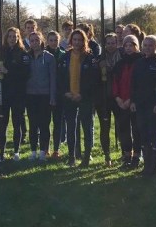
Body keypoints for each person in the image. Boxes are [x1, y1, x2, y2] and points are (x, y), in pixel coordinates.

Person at [58, 29, 98, 166]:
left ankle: (86, 158)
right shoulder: (65, 57)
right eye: (74, 39)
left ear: (84, 41)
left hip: (84, 98)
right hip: (69, 97)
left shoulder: (90, 58)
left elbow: (93, 80)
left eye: (80, 40)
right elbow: (60, 78)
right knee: (71, 128)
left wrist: (82, 94)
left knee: (87, 127)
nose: (77, 42)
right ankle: (72, 157)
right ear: (71, 41)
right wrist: (66, 92)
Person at [0, 27, 31, 161]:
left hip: (18, 94)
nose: (12, 39)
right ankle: (1, 151)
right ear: (6, 38)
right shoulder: (1, 52)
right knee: (2, 123)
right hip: (3, 93)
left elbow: (25, 74)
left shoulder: (23, 54)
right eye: (10, 36)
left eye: (14, 36)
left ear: (18, 37)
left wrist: (8, 71)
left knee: (17, 123)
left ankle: (16, 151)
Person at [130, 36, 156, 176]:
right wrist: (133, 101)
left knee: (153, 135)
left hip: (154, 105)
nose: (148, 48)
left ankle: (154, 167)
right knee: (143, 135)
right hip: (140, 104)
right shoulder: (139, 63)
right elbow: (134, 84)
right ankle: (147, 165)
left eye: (151, 45)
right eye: (145, 45)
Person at [25, 32, 56, 161]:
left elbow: (53, 78)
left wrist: (52, 97)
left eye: (36, 40)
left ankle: (43, 151)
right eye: (32, 41)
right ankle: (33, 151)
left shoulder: (49, 57)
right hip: (30, 95)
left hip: (45, 95)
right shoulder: (26, 57)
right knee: (32, 124)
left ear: (41, 41)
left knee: (44, 124)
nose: (34, 43)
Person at [113, 35, 142, 168]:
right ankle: (126, 154)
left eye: (132, 45)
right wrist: (118, 98)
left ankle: (137, 154)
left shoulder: (140, 62)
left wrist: (131, 99)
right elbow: (115, 82)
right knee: (123, 129)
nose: (129, 48)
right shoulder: (120, 63)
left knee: (136, 129)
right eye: (126, 45)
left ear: (137, 46)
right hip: (121, 102)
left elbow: (140, 84)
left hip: (134, 102)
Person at [97, 33, 122, 166]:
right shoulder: (100, 58)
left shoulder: (122, 57)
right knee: (105, 127)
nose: (111, 45)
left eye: (113, 43)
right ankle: (107, 155)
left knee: (122, 125)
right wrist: (100, 67)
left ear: (117, 43)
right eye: (108, 43)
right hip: (104, 97)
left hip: (118, 96)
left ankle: (125, 153)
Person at [45, 31, 66, 157]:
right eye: (51, 40)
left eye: (55, 40)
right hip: (45, 92)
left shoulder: (63, 55)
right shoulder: (43, 54)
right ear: (47, 41)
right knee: (45, 122)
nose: (53, 43)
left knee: (58, 122)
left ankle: (56, 149)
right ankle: (45, 148)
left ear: (59, 41)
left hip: (59, 92)